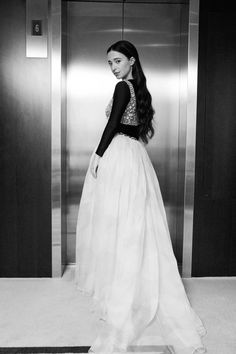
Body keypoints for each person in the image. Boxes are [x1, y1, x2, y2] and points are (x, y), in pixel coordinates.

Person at [74, 40, 207, 354]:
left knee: (120, 225)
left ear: (131, 61)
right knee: (134, 226)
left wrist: (98, 154)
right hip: (134, 158)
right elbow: (130, 127)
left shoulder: (123, 87)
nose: (113, 67)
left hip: (120, 156)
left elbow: (113, 123)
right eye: (110, 63)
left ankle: (125, 295)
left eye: (117, 61)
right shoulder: (138, 89)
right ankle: (132, 288)